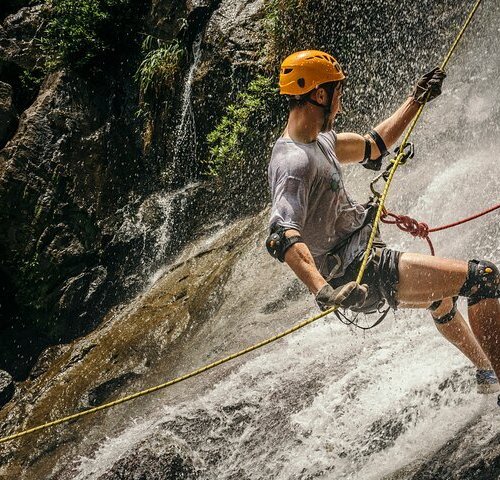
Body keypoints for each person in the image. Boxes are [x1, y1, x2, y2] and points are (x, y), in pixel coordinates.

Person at [266, 50, 500, 396]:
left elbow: (374, 145)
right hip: (359, 272)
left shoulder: (322, 142)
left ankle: (485, 374)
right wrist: (323, 290)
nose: (340, 104)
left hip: (362, 261)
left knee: (442, 297)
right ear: (319, 95)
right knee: (483, 278)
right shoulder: (293, 162)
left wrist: (416, 100)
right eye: (337, 95)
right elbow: (281, 235)